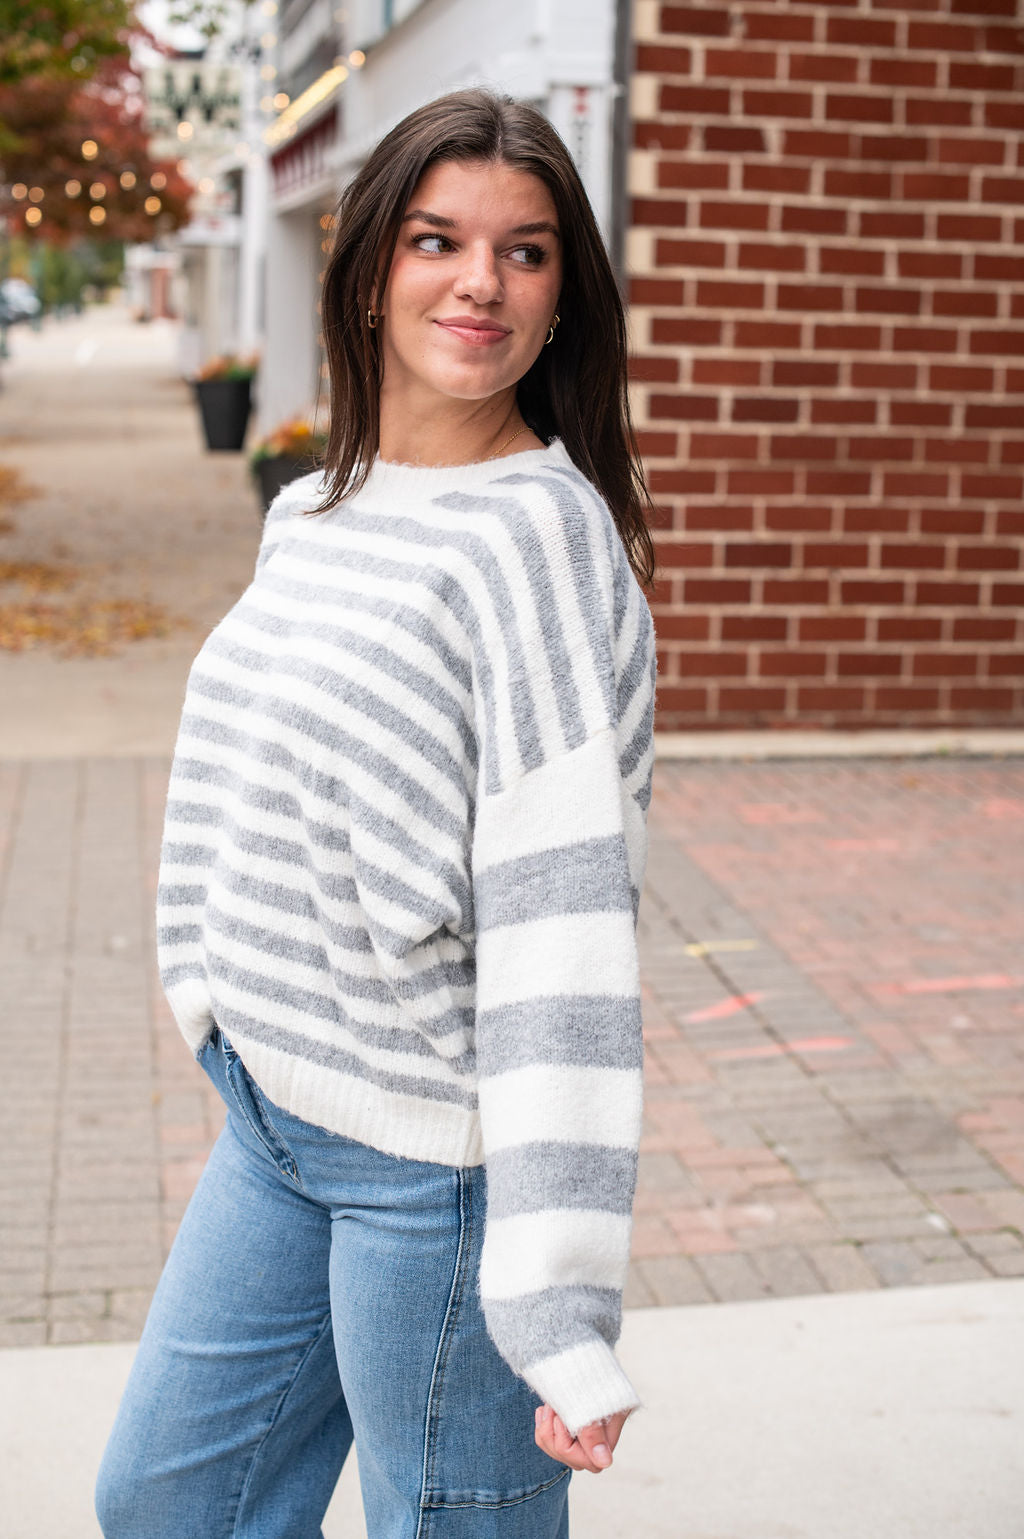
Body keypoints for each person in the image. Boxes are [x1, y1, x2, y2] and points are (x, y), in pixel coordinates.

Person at [96, 87, 657, 1539]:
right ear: (368, 274)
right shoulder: (317, 510)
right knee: (167, 1504)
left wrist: (562, 1301)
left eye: (527, 253)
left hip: (435, 1172)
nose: (482, 280)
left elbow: (566, 933)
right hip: (273, 1121)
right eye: (437, 239)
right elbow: (233, 782)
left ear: (559, 303)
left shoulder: (536, 541)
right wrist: (208, 990)